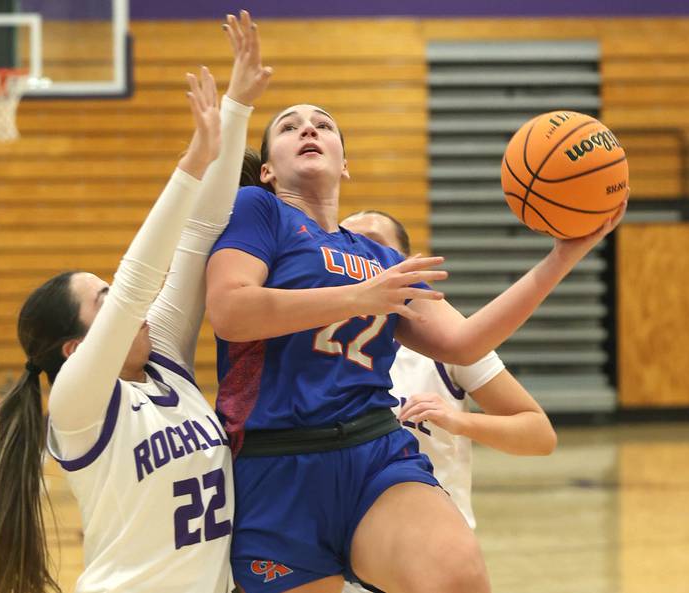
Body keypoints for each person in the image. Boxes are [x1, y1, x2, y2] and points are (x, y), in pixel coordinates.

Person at [207, 103, 625, 593]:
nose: (308, 129)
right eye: (289, 126)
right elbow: (230, 311)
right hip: (277, 463)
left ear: (345, 163)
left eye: (323, 124)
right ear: (268, 171)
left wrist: (563, 256)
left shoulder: (382, 258)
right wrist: (358, 297)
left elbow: (465, 344)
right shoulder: (258, 211)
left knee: (458, 578)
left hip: (373, 452)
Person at [0, 12, 272, 593]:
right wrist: (192, 162)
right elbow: (137, 282)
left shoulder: (165, 364)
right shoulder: (78, 405)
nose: (123, 307)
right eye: (103, 301)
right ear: (76, 348)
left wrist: (237, 107)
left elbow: (200, 233)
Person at [340, 209, 557, 530]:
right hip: (350, 539)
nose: (359, 255)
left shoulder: (447, 344)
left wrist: (459, 421)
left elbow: (539, 435)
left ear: (406, 264)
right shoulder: (317, 346)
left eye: (373, 244)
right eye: (347, 245)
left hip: (437, 537)